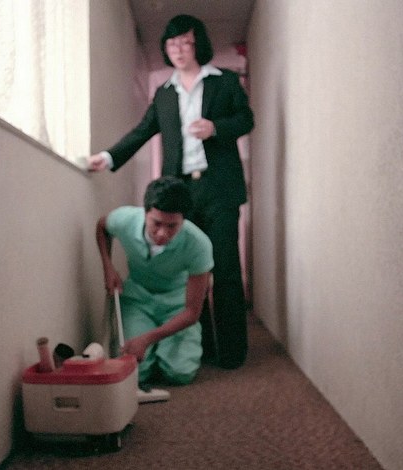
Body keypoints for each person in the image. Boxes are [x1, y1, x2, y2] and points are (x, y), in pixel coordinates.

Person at [87, 14, 253, 369]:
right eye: (172, 43)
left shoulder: (224, 81)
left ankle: (233, 352)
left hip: (219, 188)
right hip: (181, 193)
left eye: (185, 41)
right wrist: (108, 157)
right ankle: (203, 346)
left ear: (198, 44)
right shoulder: (164, 93)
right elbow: (143, 130)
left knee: (225, 268)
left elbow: (246, 119)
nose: (178, 49)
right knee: (190, 271)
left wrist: (215, 128)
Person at [96, 176, 213, 392]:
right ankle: (157, 348)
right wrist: (107, 266)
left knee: (180, 373)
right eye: (156, 223)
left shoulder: (199, 244)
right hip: (137, 299)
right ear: (145, 212)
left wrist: (147, 338)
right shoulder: (125, 218)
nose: (162, 233)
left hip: (177, 305)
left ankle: (165, 347)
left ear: (183, 221)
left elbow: (192, 312)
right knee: (135, 372)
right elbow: (102, 226)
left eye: (172, 226)